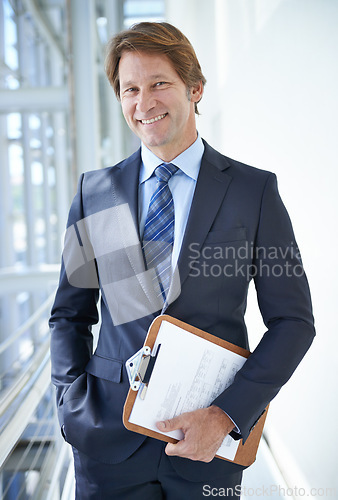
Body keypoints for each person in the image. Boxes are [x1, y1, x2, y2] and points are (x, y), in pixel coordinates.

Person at [49, 22, 315, 499]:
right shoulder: (97, 193)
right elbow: (70, 314)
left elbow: (294, 322)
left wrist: (228, 416)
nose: (144, 102)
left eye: (159, 84)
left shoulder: (253, 192)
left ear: (195, 88)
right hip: (105, 441)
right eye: (130, 89)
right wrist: (69, 401)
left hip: (206, 445)